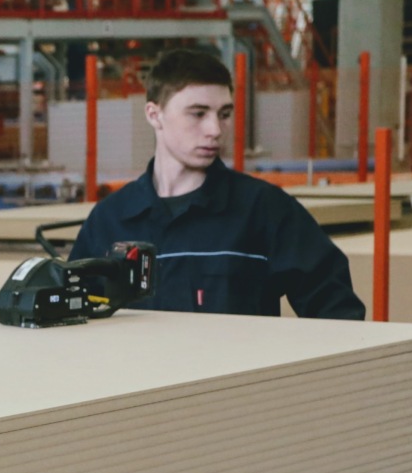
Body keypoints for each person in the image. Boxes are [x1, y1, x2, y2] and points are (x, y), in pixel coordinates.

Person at [69, 48, 364, 320]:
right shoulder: (110, 221)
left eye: (224, 114)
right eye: (198, 114)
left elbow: (338, 314)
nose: (215, 129)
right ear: (154, 115)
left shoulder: (264, 211)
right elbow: (75, 318)